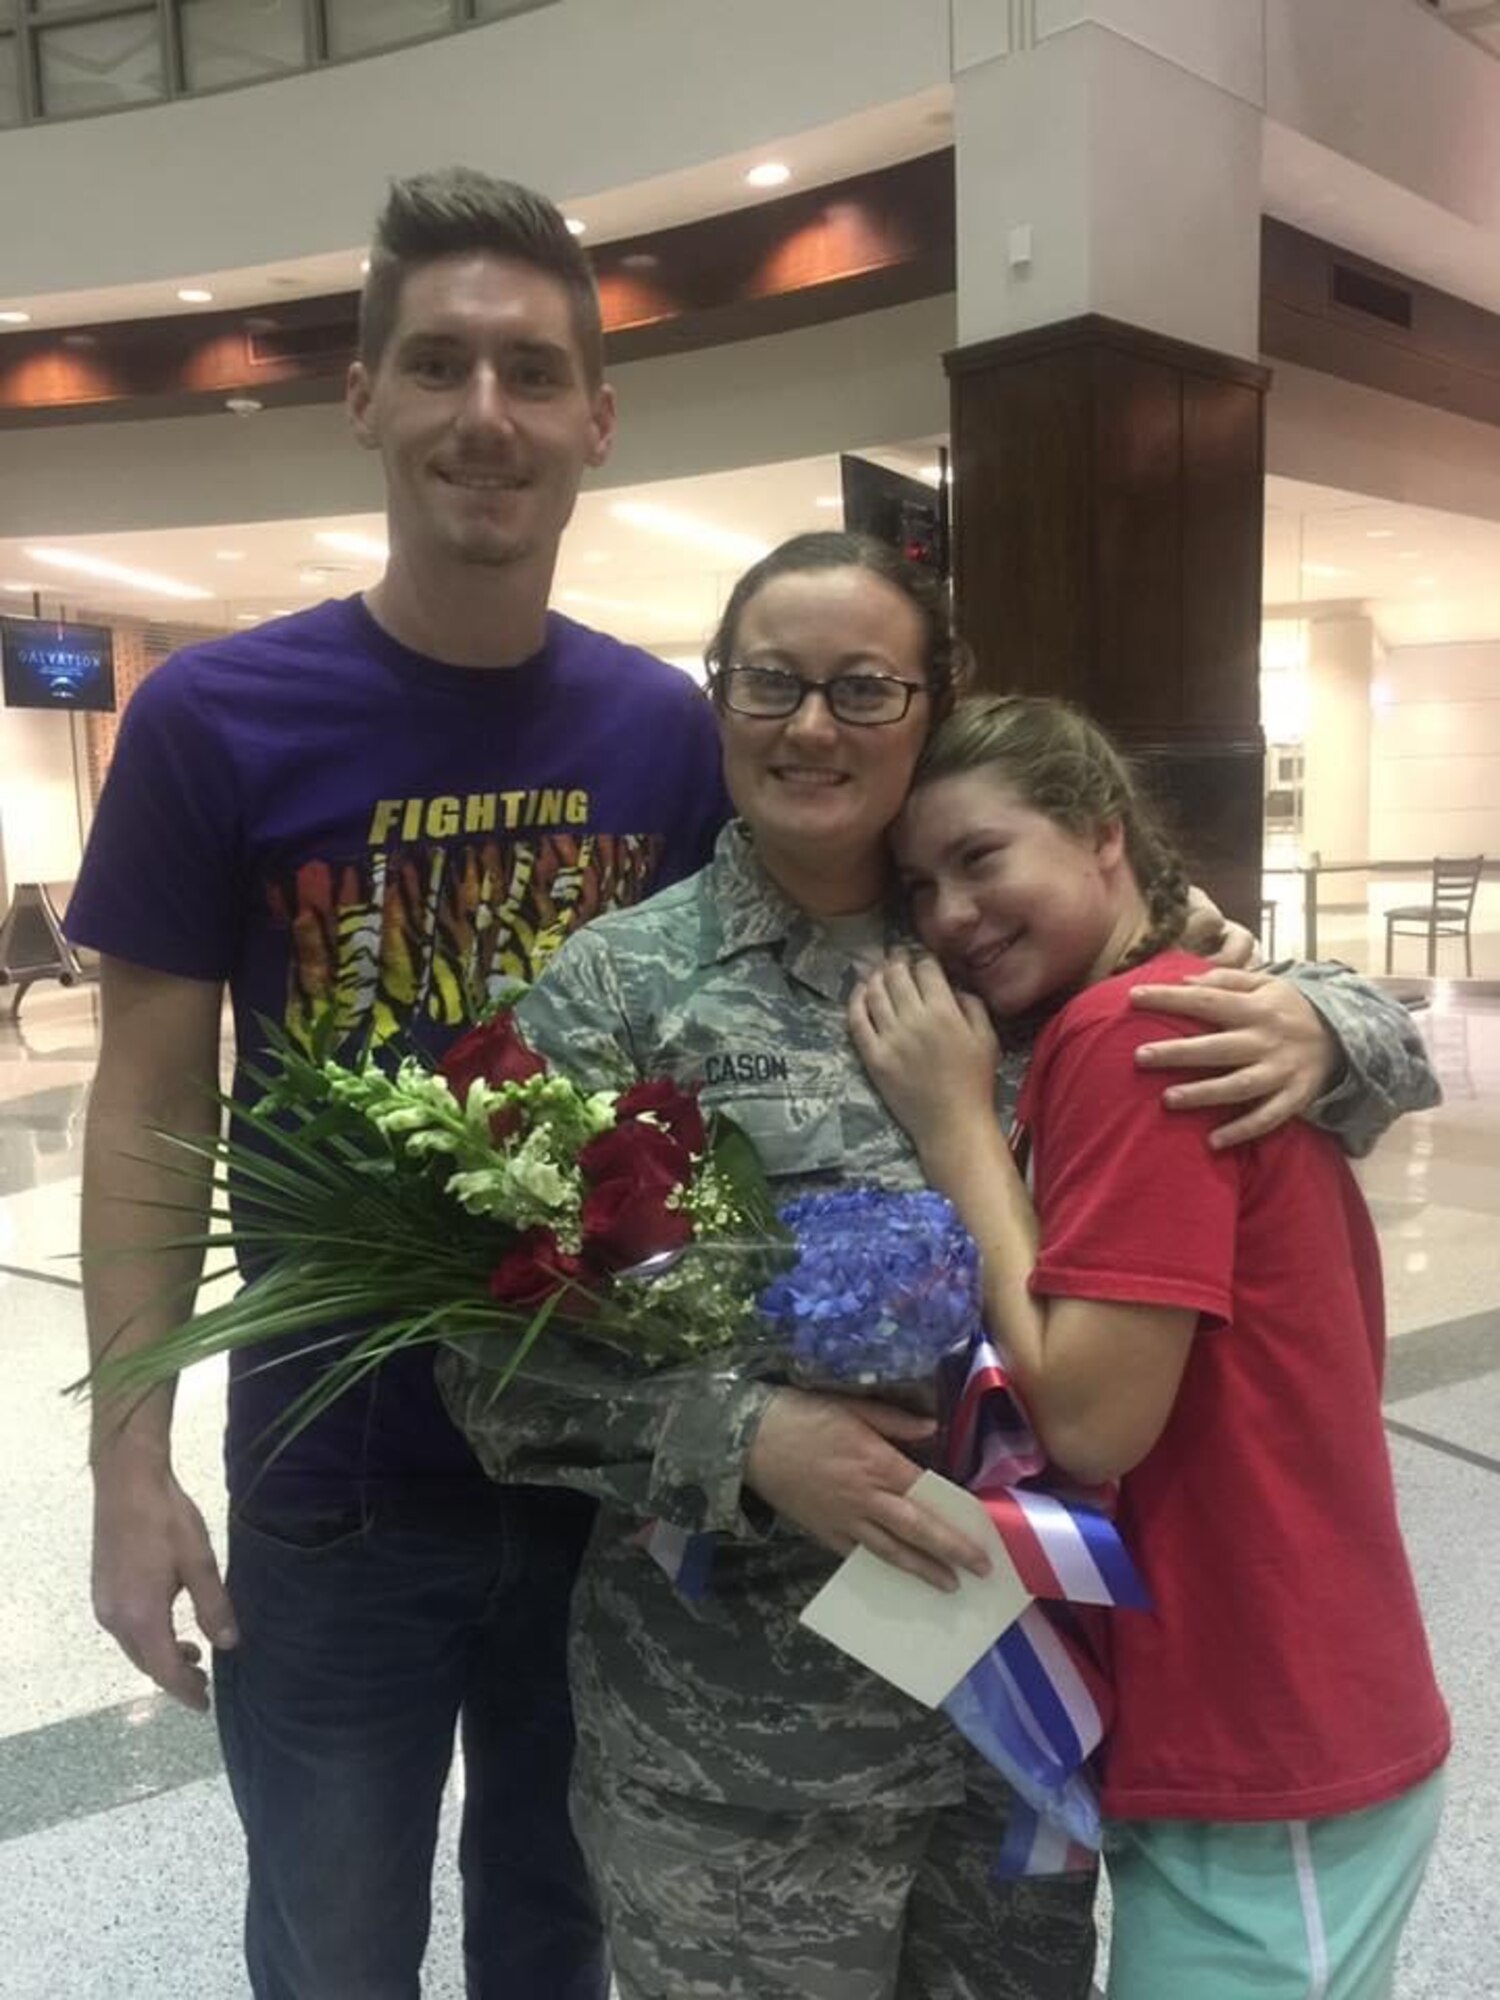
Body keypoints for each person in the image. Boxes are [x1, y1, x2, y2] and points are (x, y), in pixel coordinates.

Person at [442, 531, 1440, 2000]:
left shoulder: (1031, 954)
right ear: (718, 701)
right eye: (770, 682)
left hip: (1020, 1738)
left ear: (928, 706)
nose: (810, 725)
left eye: (862, 686)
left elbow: (1320, 1045)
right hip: (742, 1757)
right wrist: (747, 1438)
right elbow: (485, 1355)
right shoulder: (618, 990)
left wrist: (1327, 1021)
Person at [66, 169, 730, 2000]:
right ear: (362, 397)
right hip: (335, 1484)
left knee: (562, 1937)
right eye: (438, 364)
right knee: (338, 1946)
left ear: (598, 417)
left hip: (602, 1479)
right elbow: (144, 1105)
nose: (485, 416)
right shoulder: (215, 719)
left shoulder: (669, 735)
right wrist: (128, 1465)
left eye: (532, 372)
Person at [849, 693, 1449, 2000]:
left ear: (1100, 835)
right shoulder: (1151, 1008)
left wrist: (956, 1130)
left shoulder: (1138, 1036)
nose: (949, 913)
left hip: (1268, 1716)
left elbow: (1090, 1419)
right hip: (1248, 1700)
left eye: (983, 857)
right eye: (918, 885)